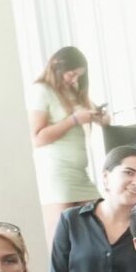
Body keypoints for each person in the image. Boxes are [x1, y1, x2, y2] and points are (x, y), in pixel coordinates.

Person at [29, 46, 106, 221]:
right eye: (71, 74)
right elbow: (38, 138)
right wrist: (74, 120)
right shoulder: (42, 91)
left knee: (99, 221)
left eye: (78, 76)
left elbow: (98, 114)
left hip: (79, 172)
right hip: (59, 173)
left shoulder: (73, 91)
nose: (74, 80)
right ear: (57, 66)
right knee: (64, 232)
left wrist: (99, 117)